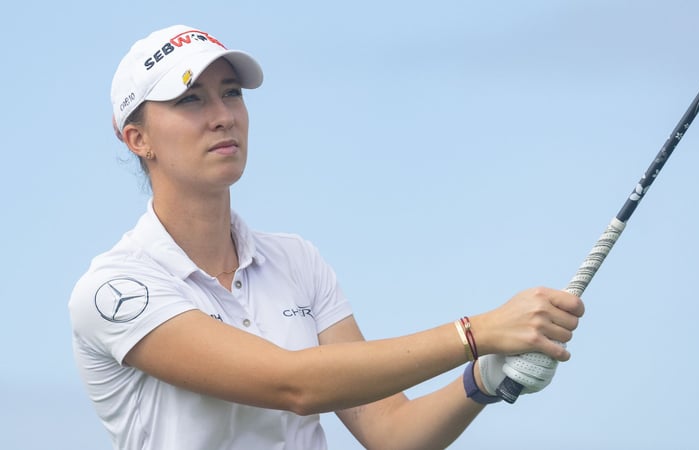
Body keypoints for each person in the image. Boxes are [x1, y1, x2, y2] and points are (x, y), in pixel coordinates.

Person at [68, 24, 585, 450]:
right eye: (191, 100)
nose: (223, 116)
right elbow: (293, 384)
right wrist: (477, 332)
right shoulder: (115, 289)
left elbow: (390, 433)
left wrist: (482, 380)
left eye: (231, 94)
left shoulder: (296, 260)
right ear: (137, 139)